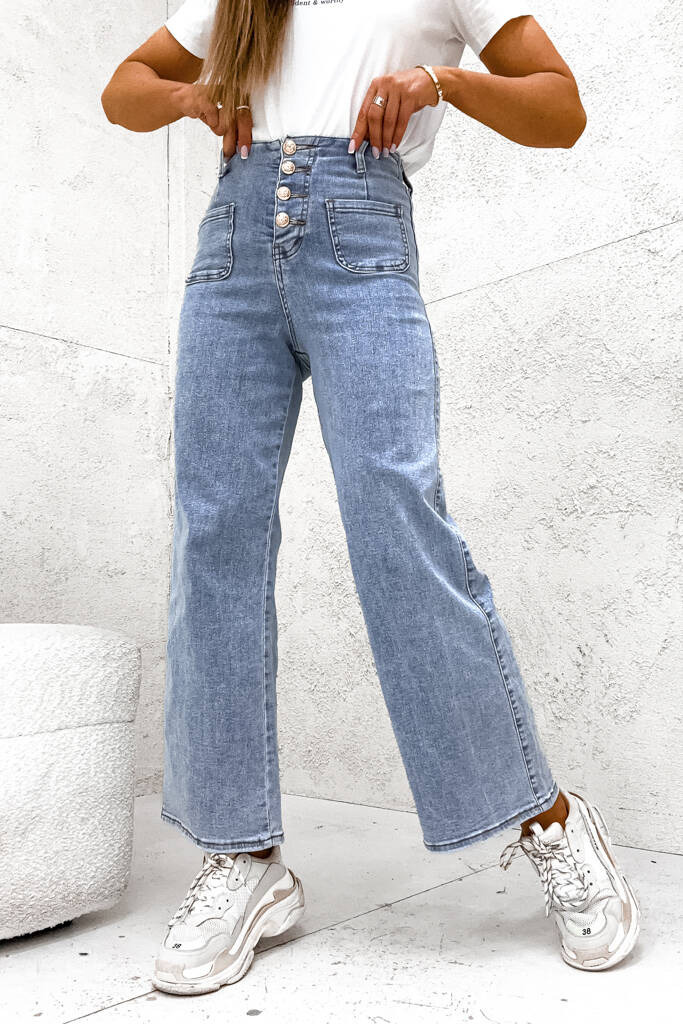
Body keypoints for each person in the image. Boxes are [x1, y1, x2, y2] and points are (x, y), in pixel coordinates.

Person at [101, 0, 640, 996]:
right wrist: (190, 96)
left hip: (360, 240)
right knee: (214, 534)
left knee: (396, 516)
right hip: (229, 250)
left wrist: (442, 82)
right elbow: (123, 88)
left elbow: (559, 108)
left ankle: (549, 819)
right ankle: (243, 857)